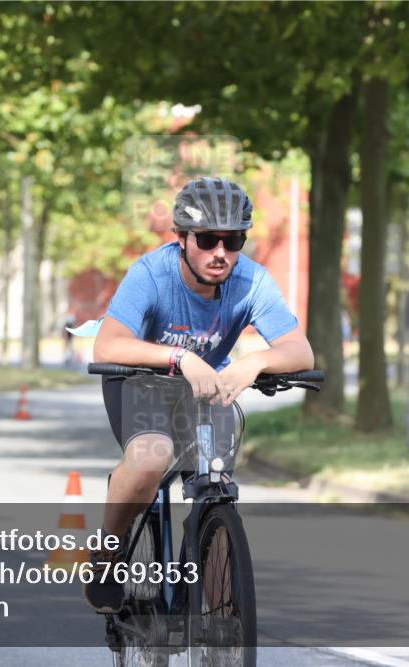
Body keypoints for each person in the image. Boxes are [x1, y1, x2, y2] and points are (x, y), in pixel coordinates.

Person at [83, 177, 314, 613]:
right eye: (207, 240)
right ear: (183, 239)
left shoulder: (251, 281)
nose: (220, 253)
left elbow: (299, 350)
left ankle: (220, 620)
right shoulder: (151, 274)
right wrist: (179, 358)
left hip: (204, 389)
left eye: (233, 241)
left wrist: (254, 363)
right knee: (152, 457)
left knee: (217, 481)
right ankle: (108, 556)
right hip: (138, 380)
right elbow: (107, 345)